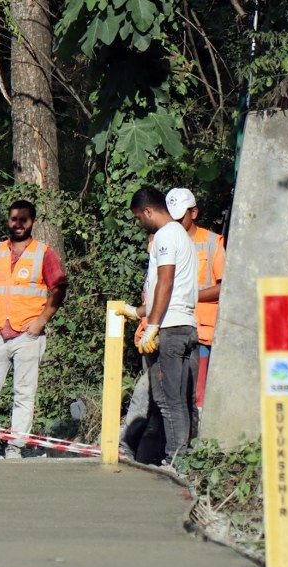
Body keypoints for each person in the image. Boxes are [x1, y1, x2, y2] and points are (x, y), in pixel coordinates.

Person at [0, 199, 67, 460]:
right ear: (8, 221)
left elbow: (59, 287)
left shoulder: (44, 252)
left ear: (32, 222)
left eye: (23, 220)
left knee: (24, 394)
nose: (18, 224)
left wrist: (42, 321)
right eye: (14, 219)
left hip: (27, 335)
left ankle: (15, 447)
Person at [120, 187, 199, 468]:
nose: (140, 224)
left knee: (168, 400)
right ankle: (186, 456)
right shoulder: (184, 236)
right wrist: (136, 311)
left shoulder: (165, 235)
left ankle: (175, 460)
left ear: (148, 211)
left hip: (170, 328)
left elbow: (165, 281)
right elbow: (169, 289)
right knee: (185, 399)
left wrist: (152, 325)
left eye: (139, 218)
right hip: (188, 325)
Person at [165, 187, 226, 409]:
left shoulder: (212, 242)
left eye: (181, 217)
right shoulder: (163, 241)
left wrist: (186, 296)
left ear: (194, 213)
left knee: (197, 395)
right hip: (171, 328)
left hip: (202, 332)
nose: (177, 223)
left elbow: (224, 288)